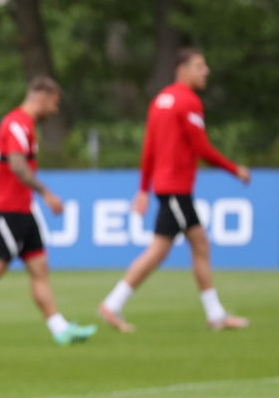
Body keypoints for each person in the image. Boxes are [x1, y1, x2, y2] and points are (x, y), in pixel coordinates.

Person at [98, 49, 250, 332]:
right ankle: (113, 304)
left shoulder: (159, 101)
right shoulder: (188, 101)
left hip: (166, 188)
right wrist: (235, 169)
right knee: (166, 250)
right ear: (181, 69)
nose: (206, 71)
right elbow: (201, 147)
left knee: (191, 246)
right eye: (199, 66)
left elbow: (149, 149)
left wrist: (144, 189)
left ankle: (214, 314)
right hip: (177, 189)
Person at [0, 76, 97, 347]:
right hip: (11, 211)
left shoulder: (22, 124)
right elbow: (16, 166)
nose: (55, 109)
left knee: (39, 268)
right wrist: (46, 193)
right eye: (54, 102)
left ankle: (59, 328)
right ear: (40, 97)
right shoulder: (18, 123)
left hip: (22, 210)